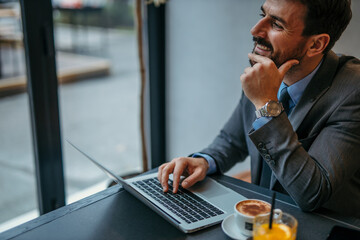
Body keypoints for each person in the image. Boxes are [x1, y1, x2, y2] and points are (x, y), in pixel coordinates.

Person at [158, 0, 360, 217]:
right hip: (262, 216)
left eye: (277, 25)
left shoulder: (353, 90)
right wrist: (204, 161)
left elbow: (312, 192)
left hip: (324, 226)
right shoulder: (266, 68)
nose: (255, 30)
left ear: (316, 45)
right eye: (262, 14)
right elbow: (233, 140)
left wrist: (266, 105)